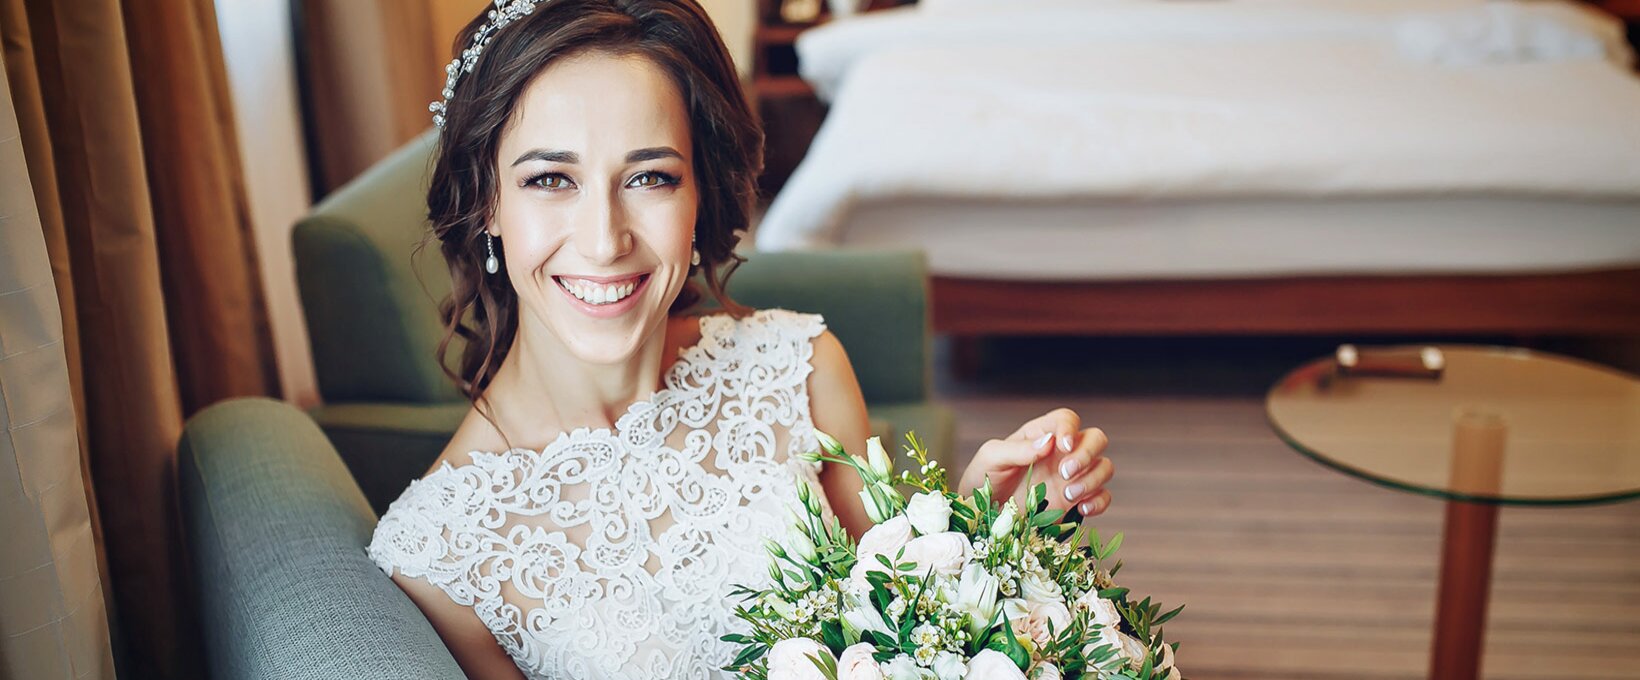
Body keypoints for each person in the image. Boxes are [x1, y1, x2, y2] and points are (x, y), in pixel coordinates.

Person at [365, 1, 1115, 678]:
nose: (603, 242)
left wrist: (993, 526)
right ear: (487, 200)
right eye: (550, 181)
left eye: (650, 177)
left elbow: (896, 626)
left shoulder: (799, 367)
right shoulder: (438, 555)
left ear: (700, 194)